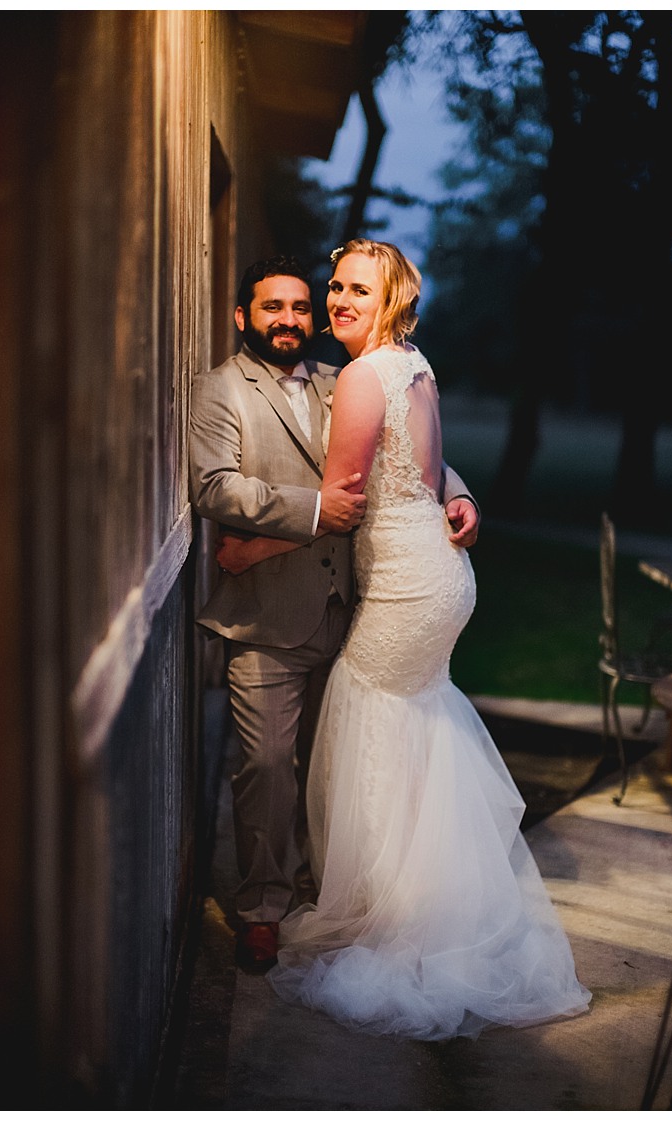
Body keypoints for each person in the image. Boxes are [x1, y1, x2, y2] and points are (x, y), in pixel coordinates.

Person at [227, 239, 590, 1039]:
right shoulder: (415, 365)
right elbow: (422, 466)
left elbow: (345, 496)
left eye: (359, 289)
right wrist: (460, 499)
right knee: (419, 722)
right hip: (437, 573)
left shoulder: (362, 374)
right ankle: (432, 900)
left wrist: (250, 548)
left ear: (392, 299)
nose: (338, 300)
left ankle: (397, 921)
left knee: (370, 716)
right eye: (336, 286)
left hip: (407, 582)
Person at [187, 256, 479, 971]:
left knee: (344, 764)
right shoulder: (219, 389)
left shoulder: (341, 374)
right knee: (265, 766)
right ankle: (262, 906)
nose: (288, 318)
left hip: (356, 602)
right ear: (243, 317)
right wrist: (314, 511)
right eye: (270, 308)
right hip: (268, 615)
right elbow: (214, 487)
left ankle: (338, 889)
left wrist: (459, 494)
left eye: (297, 306)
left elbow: (406, 456)